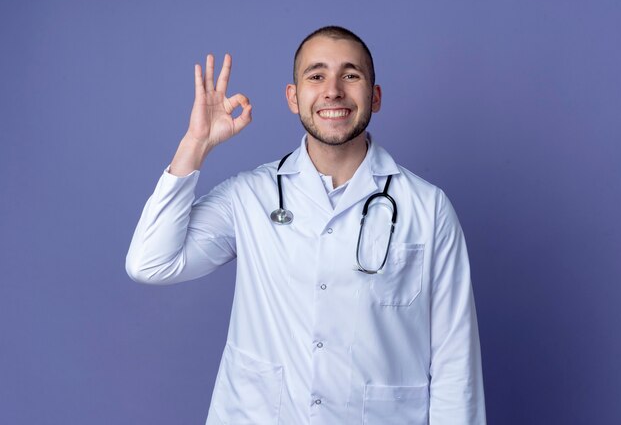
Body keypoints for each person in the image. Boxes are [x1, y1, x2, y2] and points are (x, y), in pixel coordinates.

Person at [126, 26, 486, 425]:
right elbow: (150, 263)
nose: (333, 90)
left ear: (376, 96)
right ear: (293, 98)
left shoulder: (427, 208)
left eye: (351, 75)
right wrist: (195, 144)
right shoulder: (250, 196)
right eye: (316, 76)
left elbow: (456, 361)